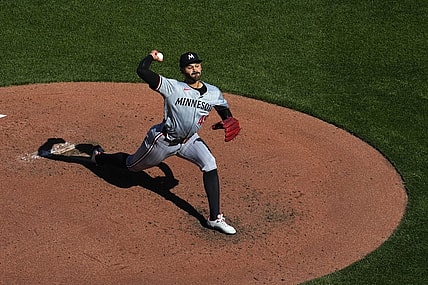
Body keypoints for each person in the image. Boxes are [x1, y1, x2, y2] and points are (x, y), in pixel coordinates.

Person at [91, 50, 241, 234]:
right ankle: (99, 157)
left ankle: (215, 218)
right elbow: (142, 71)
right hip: (164, 140)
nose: (194, 69)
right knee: (131, 166)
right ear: (182, 70)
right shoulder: (172, 87)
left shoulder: (213, 91)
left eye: (196, 65)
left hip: (189, 141)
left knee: (210, 163)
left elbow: (223, 108)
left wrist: (229, 120)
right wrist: (151, 57)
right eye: (189, 67)